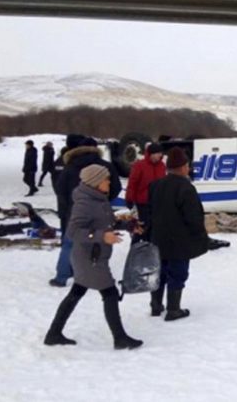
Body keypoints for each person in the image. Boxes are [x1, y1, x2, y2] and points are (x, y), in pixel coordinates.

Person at [44, 165, 143, 350]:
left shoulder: (98, 199)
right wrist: (101, 236)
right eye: (106, 179)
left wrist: (128, 226)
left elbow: (106, 222)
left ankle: (53, 333)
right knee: (110, 293)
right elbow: (72, 232)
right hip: (90, 258)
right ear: (96, 182)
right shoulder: (85, 203)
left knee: (77, 292)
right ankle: (120, 338)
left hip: (93, 256)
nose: (109, 182)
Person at [50, 137, 122, 288]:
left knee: (70, 242)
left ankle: (61, 277)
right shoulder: (105, 166)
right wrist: (104, 200)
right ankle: (92, 273)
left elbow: (60, 188)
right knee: (98, 241)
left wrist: (70, 204)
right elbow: (116, 187)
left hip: (73, 209)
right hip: (100, 210)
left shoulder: (69, 165)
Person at [149, 147, 211, 321]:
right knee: (177, 273)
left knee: (159, 271)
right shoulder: (186, 188)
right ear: (183, 167)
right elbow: (194, 217)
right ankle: (173, 309)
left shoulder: (156, 185)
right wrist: (200, 235)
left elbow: (149, 212)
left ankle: (155, 305)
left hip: (158, 237)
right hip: (179, 240)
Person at [125, 142, 166, 242]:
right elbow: (132, 184)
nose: (160, 156)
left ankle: (151, 250)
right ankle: (136, 250)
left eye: (160, 153)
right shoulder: (139, 165)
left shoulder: (162, 166)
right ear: (151, 154)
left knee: (155, 230)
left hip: (157, 203)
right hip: (142, 203)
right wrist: (129, 199)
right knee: (141, 229)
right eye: (157, 153)